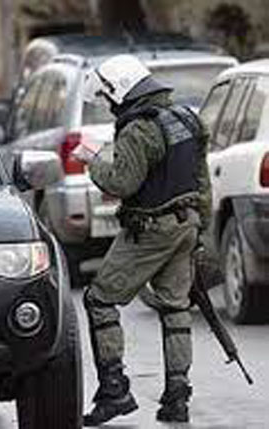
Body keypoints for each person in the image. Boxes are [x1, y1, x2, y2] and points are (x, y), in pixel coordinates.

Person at [73, 54, 212, 426]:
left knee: (99, 299)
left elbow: (121, 183)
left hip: (150, 228)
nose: (109, 105)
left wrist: (92, 160)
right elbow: (202, 183)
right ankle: (177, 398)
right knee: (175, 308)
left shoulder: (139, 129)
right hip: (187, 224)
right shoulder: (187, 119)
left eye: (109, 97)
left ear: (122, 91)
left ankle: (114, 391)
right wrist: (201, 229)